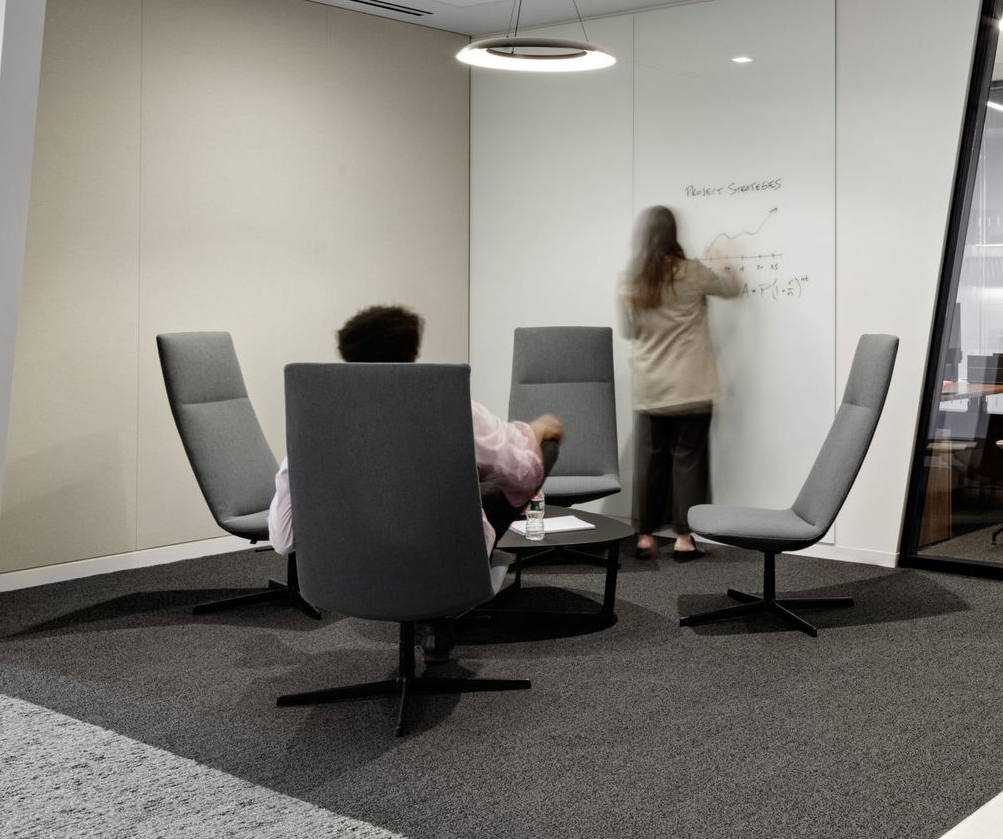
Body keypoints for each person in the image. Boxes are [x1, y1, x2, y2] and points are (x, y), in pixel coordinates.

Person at [270, 304, 563, 656]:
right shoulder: (453, 409)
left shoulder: (316, 426)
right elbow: (523, 470)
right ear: (412, 356)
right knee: (523, 464)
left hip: (348, 577)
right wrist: (535, 432)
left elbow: (284, 538)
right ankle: (442, 614)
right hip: (439, 569)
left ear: (346, 358)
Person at [618, 205, 740, 561]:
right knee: (689, 460)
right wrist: (726, 260)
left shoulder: (633, 278)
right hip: (691, 386)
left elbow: (630, 331)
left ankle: (644, 537)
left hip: (651, 387)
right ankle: (685, 540)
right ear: (673, 235)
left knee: (650, 462)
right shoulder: (691, 272)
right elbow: (731, 288)